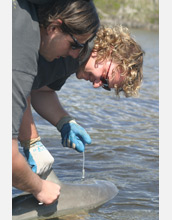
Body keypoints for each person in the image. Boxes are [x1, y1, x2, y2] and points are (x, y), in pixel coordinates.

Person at [18, 25, 144, 191]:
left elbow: (41, 91)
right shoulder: (70, 50)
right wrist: (32, 141)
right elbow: (18, 87)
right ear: (108, 50)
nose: (97, 85)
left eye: (105, 86)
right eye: (105, 78)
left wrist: (64, 121)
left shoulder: (74, 62)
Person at [12, 0, 100, 205]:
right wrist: (39, 187)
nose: (76, 54)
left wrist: (64, 121)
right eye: (75, 45)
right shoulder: (22, 57)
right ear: (53, 27)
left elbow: (38, 90)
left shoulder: (23, 18)